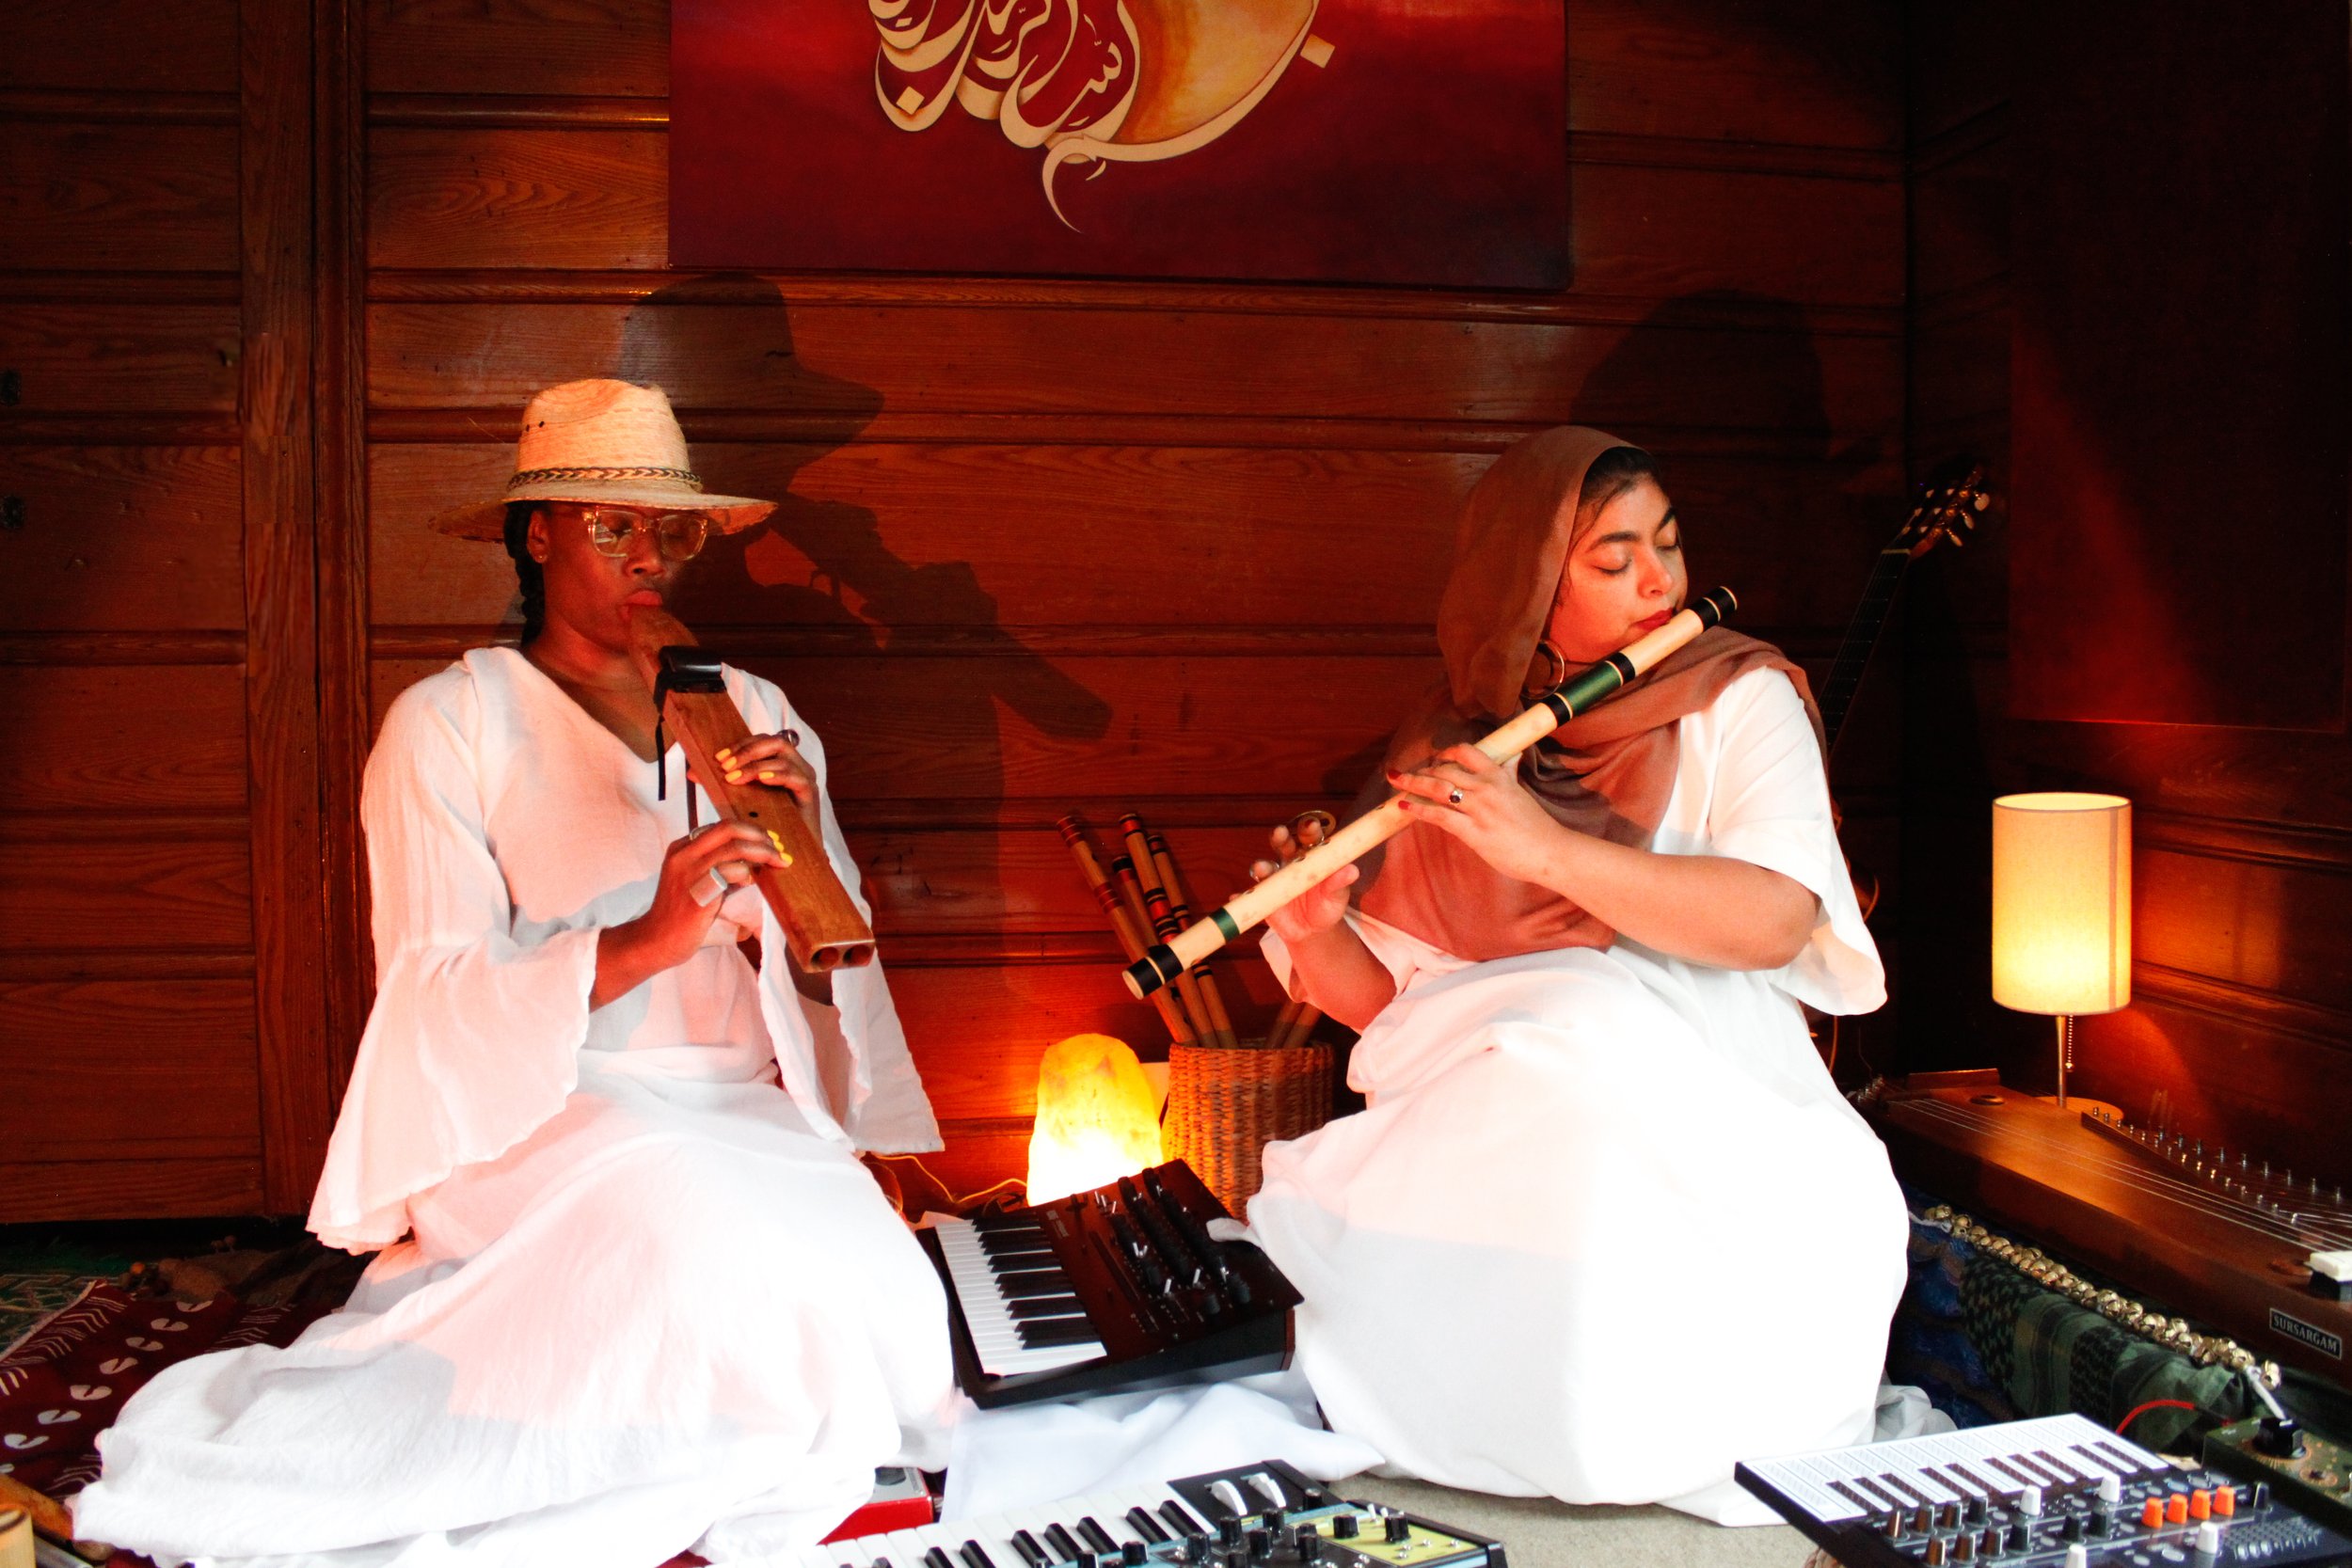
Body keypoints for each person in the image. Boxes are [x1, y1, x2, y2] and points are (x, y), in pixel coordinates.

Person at [76, 380, 956, 1565]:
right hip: (550, 1108)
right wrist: (648, 934)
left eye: (669, 530)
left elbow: (828, 973)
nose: (647, 556)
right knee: (700, 1225)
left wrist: (799, 873)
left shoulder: (754, 708)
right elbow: (433, 991)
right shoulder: (447, 721)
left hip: (739, 1101)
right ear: (535, 532)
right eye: (611, 525)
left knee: (887, 1295)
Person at [1242, 426, 1909, 1521]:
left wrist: (1543, 849)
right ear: (1528, 593)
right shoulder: (1465, 736)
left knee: (1578, 1046)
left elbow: (1779, 916)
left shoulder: (1740, 695)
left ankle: (1628, 1419)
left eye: (1669, 545)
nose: (1658, 581)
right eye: (1613, 559)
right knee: (1536, 1060)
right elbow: (1409, 1012)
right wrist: (1319, 935)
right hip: (1512, 1090)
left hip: (1714, 1093)